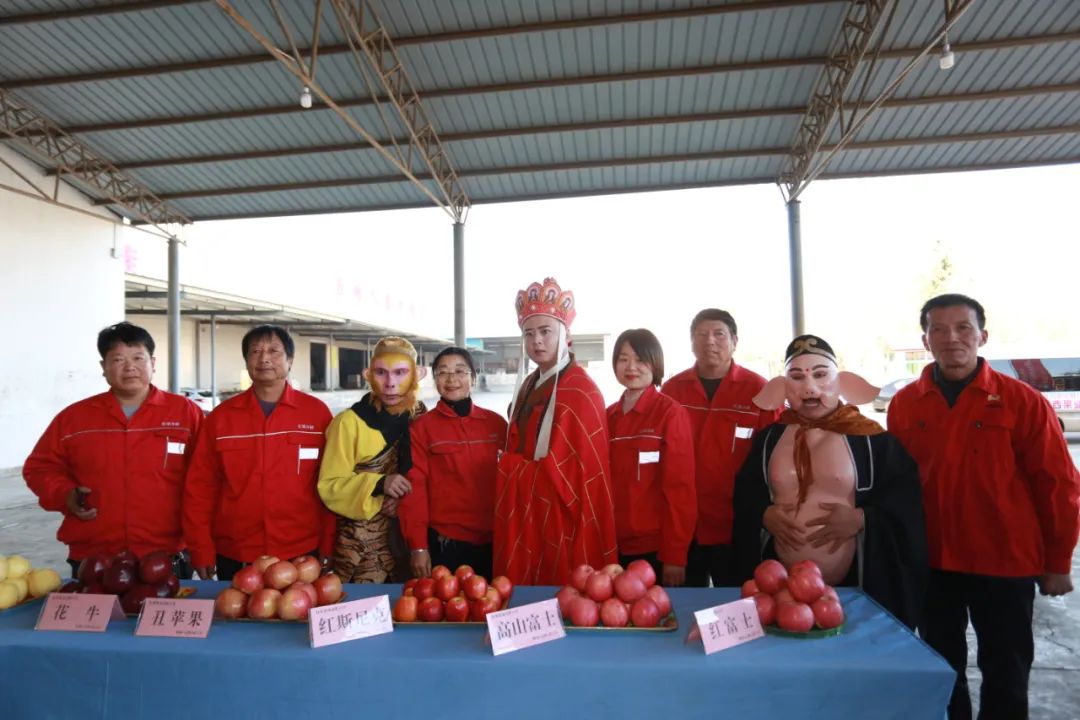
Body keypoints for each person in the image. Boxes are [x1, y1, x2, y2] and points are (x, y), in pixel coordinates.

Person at [888, 293, 1080, 720]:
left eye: (962, 328)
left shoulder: (1023, 401)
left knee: (1007, 671)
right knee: (940, 669)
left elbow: (1059, 484)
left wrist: (1058, 561)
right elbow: (896, 489)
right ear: (926, 339)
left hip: (1005, 563)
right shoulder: (905, 405)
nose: (951, 338)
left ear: (982, 336)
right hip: (934, 563)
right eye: (938, 329)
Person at [732, 334, 928, 627]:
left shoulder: (872, 441)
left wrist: (864, 519)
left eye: (821, 375)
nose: (809, 388)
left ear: (842, 382)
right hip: (780, 590)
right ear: (783, 387)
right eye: (796, 377)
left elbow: (907, 502)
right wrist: (763, 513)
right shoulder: (769, 440)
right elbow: (745, 494)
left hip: (857, 583)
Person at [24, 322, 203, 578]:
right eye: (118, 359)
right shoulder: (75, 418)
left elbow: (208, 477)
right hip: (95, 558)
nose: (129, 367)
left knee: (161, 617)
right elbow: (40, 467)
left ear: (153, 362)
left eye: (138, 358)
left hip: (166, 554)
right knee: (95, 619)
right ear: (103, 367)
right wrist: (65, 494)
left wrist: (204, 543)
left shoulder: (186, 413)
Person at [183, 325, 334, 580]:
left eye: (274, 351)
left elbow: (330, 485)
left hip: (302, 549)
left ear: (290, 361)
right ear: (246, 361)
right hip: (237, 551)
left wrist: (329, 544)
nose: (264, 358)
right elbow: (200, 488)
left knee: (298, 616)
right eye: (255, 351)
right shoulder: (221, 418)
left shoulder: (316, 414)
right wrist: (200, 548)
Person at [493, 277, 617, 585]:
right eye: (529, 333)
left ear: (565, 335)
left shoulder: (581, 392)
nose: (537, 341)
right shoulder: (527, 385)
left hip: (563, 520)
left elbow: (576, 478)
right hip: (526, 514)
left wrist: (508, 467)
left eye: (546, 331)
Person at [661, 308, 777, 587]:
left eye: (719, 334)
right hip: (687, 529)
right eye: (701, 335)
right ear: (691, 342)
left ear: (735, 341)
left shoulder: (759, 391)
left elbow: (774, 459)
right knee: (685, 609)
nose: (710, 341)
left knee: (739, 609)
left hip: (738, 527)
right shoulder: (673, 391)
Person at [319, 336, 427, 583]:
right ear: (368, 374)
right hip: (361, 549)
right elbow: (329, 486)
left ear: (417, 375)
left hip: (410, 539)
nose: (390, 383)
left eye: (400, 373)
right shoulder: (348, 423)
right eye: (381, 372)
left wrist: (404, 502)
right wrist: (379, 485)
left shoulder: (420, 415)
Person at [399, 347, 508, 579]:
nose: (451, 379)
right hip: (446, 545)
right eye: (443, 372)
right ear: (435, 379)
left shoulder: (497, 425)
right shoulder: (421, 429)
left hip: (497, 541)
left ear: (473, 378)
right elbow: (413, 490)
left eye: (460, 371)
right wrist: (418, 546)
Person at [607, 329, 696, 586]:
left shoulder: (670, 414)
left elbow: (681, 490)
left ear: (655, 363)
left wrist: (675, 555)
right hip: (612, 548)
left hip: (655, 550)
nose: (631, 367)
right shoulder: (606, 416)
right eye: (623, 359)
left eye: (640, 359)